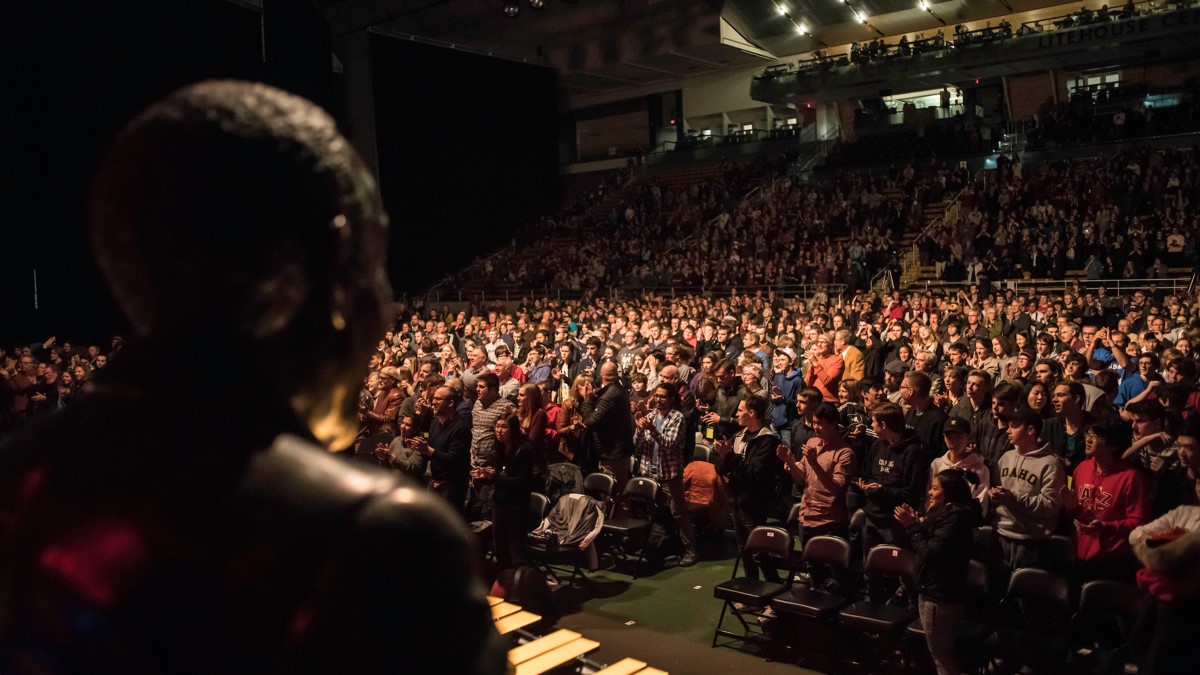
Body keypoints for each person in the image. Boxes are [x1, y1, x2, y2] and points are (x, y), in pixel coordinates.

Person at [0, 82, 501, 673]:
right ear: (324, 269)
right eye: (373, 266)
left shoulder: (17, 479)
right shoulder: (376, 539)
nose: (384, 308)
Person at [895, 470, 980, 675]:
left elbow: (931, 552)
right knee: (937, 654)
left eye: (935, 488)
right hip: (932, 588)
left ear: (949, 491)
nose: (930, 492)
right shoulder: (943, 512)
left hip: (941, 594)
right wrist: (919, 522)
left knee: (942, 656)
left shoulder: (956, 517)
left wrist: (913, 526)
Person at [1068, 419, 1150, 583]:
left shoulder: (1130, 477)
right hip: (1078, 552)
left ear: (1114, 445)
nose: (1088, 439)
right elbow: (1077, 509)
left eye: (1097, 437)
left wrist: (1106, 526)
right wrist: (1069, 506)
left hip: (1112, 558)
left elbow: (1140, 522)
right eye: (1088, 434)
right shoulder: (1081, 468)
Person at [713, 394, 783, 576]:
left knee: (759, 551)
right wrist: (721, 455)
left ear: (752, 413)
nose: (736, 414)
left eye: (740, 410)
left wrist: (729, 456)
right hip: (736, 500)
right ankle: (750, 594)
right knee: (744, 550)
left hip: (754, 503)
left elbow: (754, 473)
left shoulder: (767, 441)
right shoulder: (738, 436)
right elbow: (721, 468)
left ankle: (772, 589)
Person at [989, 408, 1066, 570]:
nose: (1008, 430)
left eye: (1014, 426)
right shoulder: (1006, 457)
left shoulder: (1050, 464)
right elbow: (997, 489)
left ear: (1030, 430)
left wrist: (1013, 498)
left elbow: (1051, 505)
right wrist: (993, 495)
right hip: (1001, 533)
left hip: (1030, 541)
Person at [632, 383, 698, 566]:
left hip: (669, 473)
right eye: (657, 396)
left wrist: (652, 429)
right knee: (655, 512)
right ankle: (660, 546)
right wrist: (639, 428)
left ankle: (690, 550)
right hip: (649, 471)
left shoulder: (678, 418)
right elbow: (637, 445)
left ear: (671, 399)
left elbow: (670, 444)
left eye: (662, 397)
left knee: (678, 513)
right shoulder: (651, 415)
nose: (658, 400)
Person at [776, 402, 856, 541]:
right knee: (808, 562)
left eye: (819, 423)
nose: (815, 428)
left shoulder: (845, 453)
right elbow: (801, 479)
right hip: (806, 516)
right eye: (813, 423)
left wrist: (814, 463)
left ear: (833, 424)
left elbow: (836, 489)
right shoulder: (812, 442)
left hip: (829, 522)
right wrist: (789, 460)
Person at [859, 403, 929, 550]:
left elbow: (912, 493)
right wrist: (867, 485)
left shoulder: (912, 452)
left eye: (873, 421)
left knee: (893, 567)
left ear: (883, 425)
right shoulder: (877, 444)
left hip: (894, 522)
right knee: (870, 568)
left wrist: (882, 490)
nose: (870, 425)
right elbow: (866, 474)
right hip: (871, 516)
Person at [474, 415, 535, 569]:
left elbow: (521, 482)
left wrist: (495, 477)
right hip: (499, 504)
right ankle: (503, 583)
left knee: (516, 552)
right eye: (497, 426)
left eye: (504, 427)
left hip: (516, 507)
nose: (499, 431)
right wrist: (485, 476)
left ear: (513, 429)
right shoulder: (498, 450)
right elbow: (498, 478)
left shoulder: (524, 450)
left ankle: (518, 587)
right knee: (500, 550)